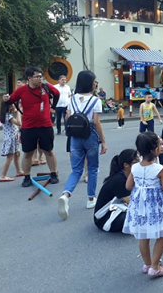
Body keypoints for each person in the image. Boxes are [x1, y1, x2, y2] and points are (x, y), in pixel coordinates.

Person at [123, 132, 163, 278]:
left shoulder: (134, 168)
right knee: (162, 233)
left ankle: (147, 264)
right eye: (159, 144)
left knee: (143, 235)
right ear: (154, 149)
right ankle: (155, 266)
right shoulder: (159, 169)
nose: (161, 146)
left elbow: (128, 186)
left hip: (139, 205)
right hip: (156, 206)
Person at [57, 70, 107, 220]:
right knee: (92, 168)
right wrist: (103, 141)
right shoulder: (95, 100)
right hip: (90, 134)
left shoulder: (71, 98)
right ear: (89, 83)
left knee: (76, 169)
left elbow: (68, 116)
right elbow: (96, 122)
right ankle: (91, 198)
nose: (95, 84)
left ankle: (66, 195)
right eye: (94, 81)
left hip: (75, 136)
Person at [2, 67, 60, 187]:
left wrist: (53, 106)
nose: (40, 79)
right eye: (37, 77)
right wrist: (5, 99)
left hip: (45, 125)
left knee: (48, 151)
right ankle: (27, 177)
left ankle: (53, 174)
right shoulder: (22, 90)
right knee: (28, 153)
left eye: (40, 76)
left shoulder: (46, 87)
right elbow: (10, 100)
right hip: (28, 126)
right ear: (29, 78)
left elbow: (57, 94)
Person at [94, 149, 139, 232]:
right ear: (126, 165)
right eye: (136, 162)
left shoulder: (127, 175)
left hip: (118, 207)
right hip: (104, 217)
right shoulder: (119, 180)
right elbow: (131, 200)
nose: (139, 164)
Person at [0, 102, 23, 182]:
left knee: (17, 154)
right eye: (12, 104)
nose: (14, 105)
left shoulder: (5, 115)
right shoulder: (8, 116)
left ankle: (18, 170)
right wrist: (18, 112)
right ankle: (3, 175)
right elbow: (19, 123)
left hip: (13, 137)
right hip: (11, 138)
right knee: (10, 157)